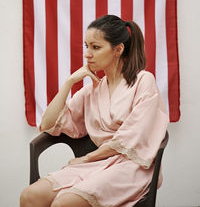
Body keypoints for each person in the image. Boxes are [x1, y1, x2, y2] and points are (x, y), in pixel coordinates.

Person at [20, 15, 169, 207]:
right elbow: (48, 124)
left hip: (132, 167)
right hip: (98, 164)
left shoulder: (143, 81)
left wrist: (86, 158)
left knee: (63, 203)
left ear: (118, 49)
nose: (87, 54)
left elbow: (132, 138)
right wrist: (69, 82)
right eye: (86, 46)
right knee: (30, 196)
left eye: (95, 47)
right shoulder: (92, 89)